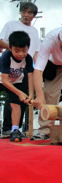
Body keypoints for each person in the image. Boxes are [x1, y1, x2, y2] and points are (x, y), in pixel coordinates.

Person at [0, 2, 40, 135]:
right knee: (12, 97)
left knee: (19, 100)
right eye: (24, 11)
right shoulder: (11, 25)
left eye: (30, 13)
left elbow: (36, 52)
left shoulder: (34, 31)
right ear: (20, 12)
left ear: (34, 16)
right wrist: (15, 50)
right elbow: (0, 41)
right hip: (7, 68)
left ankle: (14, 129)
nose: (26, 15)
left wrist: (30, 93)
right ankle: (6, 127)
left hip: (21, 71)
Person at [0, 31, 33, 141]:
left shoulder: (28, 58)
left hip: (16, 82)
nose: (20, 54)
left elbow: (30, 76)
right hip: (3, 81)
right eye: (17, 51)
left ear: (28, 48)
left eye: (24, 50)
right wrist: (19, 93)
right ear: (10, 48)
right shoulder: (5, 57)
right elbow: (4, 80)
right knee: (17, 97)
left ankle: (14, 130)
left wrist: (31, 94)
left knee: (16, 105)